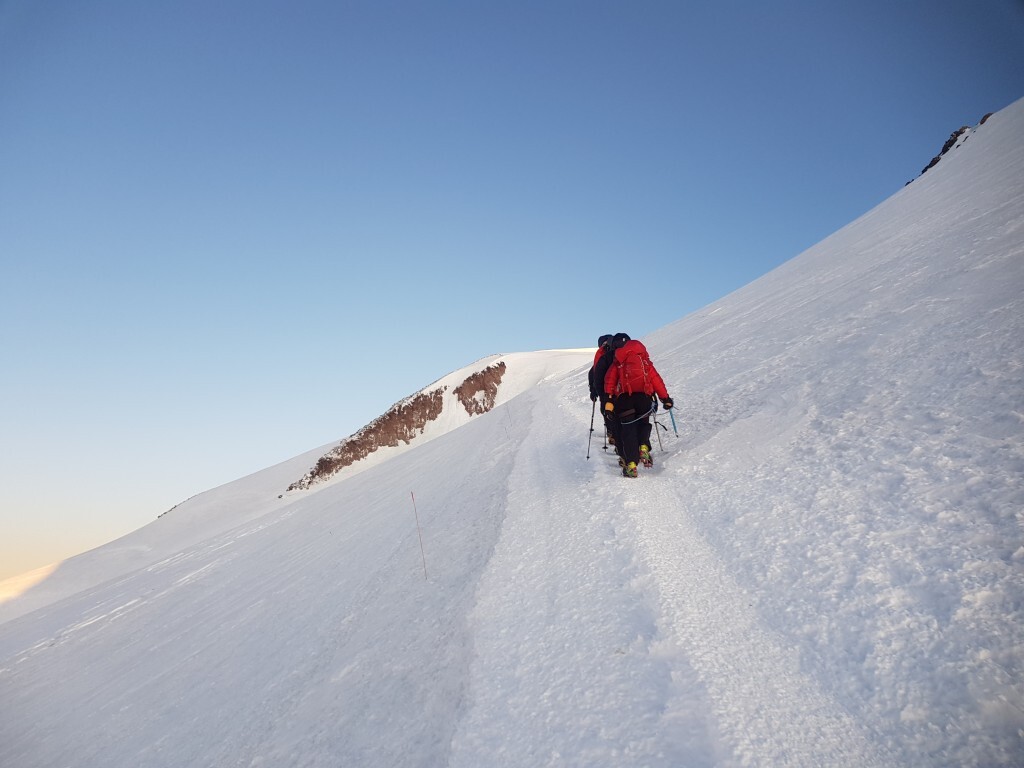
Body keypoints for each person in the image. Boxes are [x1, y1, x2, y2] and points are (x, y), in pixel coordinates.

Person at [603, 333, 673, 478]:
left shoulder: (618, 360)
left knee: (628, 432)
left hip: (624, 400)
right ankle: (644, 447)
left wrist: (609, 402)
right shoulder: (645, 361)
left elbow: (609, 381)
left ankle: (631, 466)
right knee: (643, 424)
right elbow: (656, 380)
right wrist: (665, 399)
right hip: (644, 399)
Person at [588, 334, 620, 452]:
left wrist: (594, 391)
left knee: (606, 410)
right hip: (620, 388)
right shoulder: (618, 351)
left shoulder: (601, 355)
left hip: (605, 389)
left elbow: (593, 374)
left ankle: (612, 433)